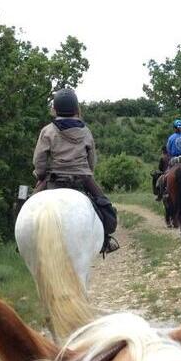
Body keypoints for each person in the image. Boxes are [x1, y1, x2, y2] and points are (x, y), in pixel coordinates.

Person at [32, 88, 119, 254]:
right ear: (75, 109)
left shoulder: (48, 130)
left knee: (27, 206)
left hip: (53, 179)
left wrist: (40, 175)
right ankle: (106, 240)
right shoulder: (85, 131)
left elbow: (39, 160)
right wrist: (87, 172)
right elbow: (92, 159)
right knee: (105, 206)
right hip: (82, 178)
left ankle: (24, 244)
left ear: (55, 109)